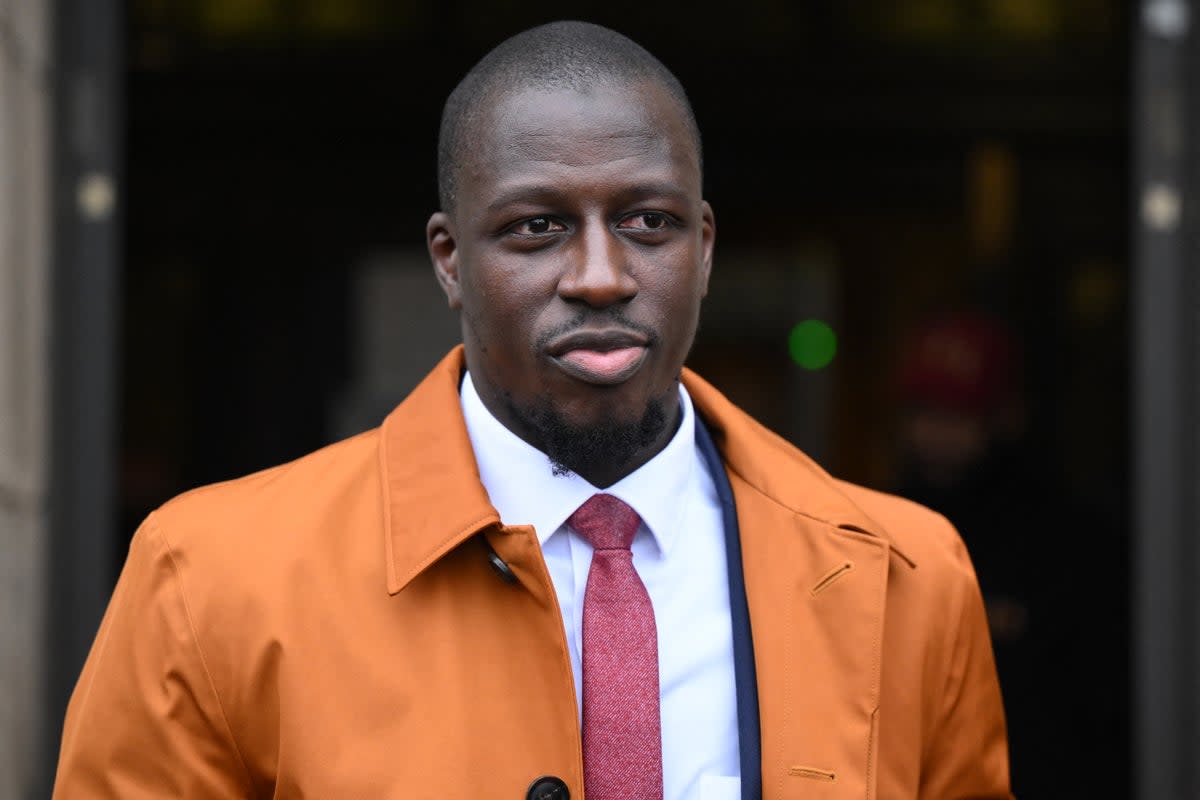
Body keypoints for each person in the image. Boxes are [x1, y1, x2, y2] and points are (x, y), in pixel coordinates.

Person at [54, 21, 1011, 800]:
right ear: (448, 260)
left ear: (705, 248)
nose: (600, 276)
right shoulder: (210, 580)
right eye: (536, 228)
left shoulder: (908, 581)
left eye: (649, 222)